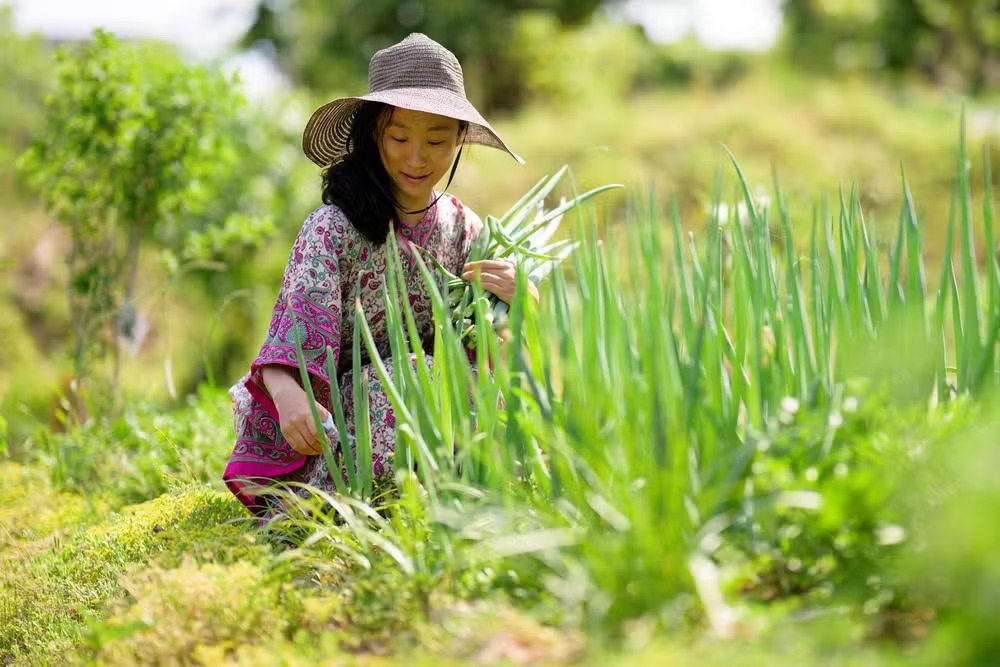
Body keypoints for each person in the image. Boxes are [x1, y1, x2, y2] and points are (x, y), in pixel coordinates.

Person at [222, 33, 531, 520]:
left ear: (458, 140)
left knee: (476, 393)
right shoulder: (332, 229)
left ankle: (450, 496)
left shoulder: (466, 231)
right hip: (337, 430)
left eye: (435, 140)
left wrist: (524, 303)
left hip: (430, 426)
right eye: (399, 137)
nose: (416, 158)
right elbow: (292, 338)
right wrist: (288, 398)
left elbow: (487, 358)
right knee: (409, 372)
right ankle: (340, 506)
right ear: (373, 135)